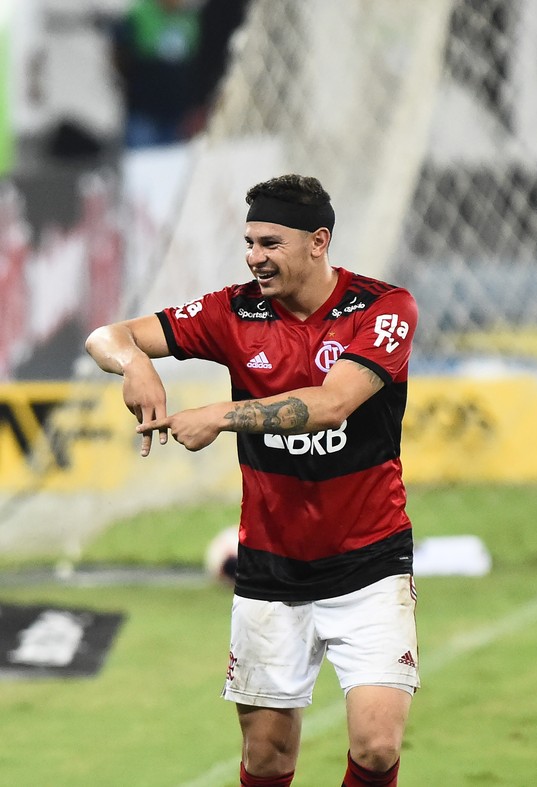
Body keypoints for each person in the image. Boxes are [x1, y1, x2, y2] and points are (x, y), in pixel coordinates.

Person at [85, 174, 419, 787]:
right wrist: (136, 364)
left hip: (369, 559)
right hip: (271, 564)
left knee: (376, 746)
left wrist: (219, 415)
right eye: (249, 243)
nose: (254, 258)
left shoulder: (383, 307)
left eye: (270, 243)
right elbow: (106, 336)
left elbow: (332, 403)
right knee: (267, 757)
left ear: (318, 242)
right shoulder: (233, 311)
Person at [110, 0, 206, 148]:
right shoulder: (137, 14)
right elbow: (119, 58)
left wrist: (194, 107)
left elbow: (194, 69)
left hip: (177, 117)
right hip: (144, 113)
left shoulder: (190, 18)